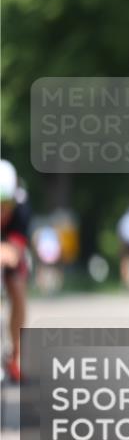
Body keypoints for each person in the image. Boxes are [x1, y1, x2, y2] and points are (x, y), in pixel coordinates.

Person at [0, 160, 30, 382]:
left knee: (17, 288)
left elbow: (12, 254)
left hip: (9, 247)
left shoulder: (21, 209)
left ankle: (16, 356)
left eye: (5, 204)